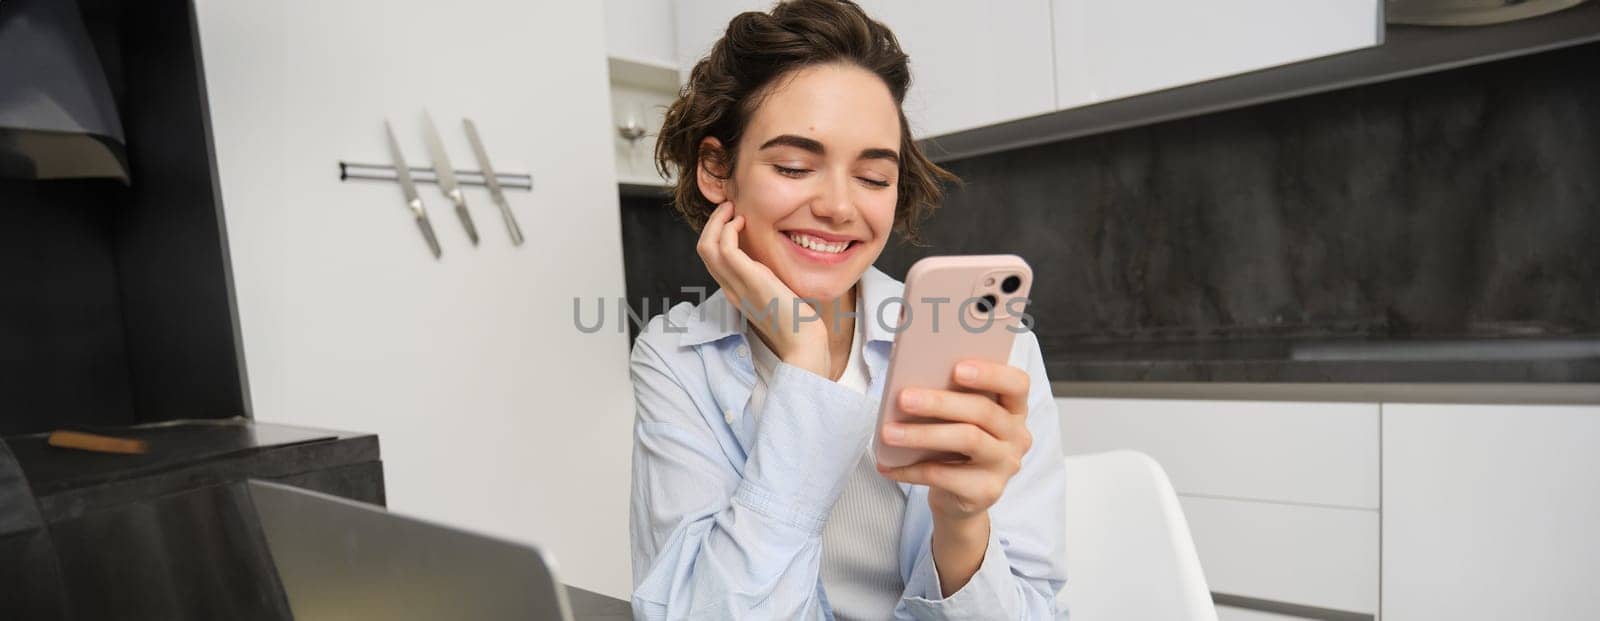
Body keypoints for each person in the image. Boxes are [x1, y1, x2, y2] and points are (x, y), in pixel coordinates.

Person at [627, 1, 1067, 618]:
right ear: (717, 170)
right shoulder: (675, 357)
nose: (838, 206)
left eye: (873, 177)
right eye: (794, 166)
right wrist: (806, 366)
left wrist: (962, 525)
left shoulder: (998, 348)